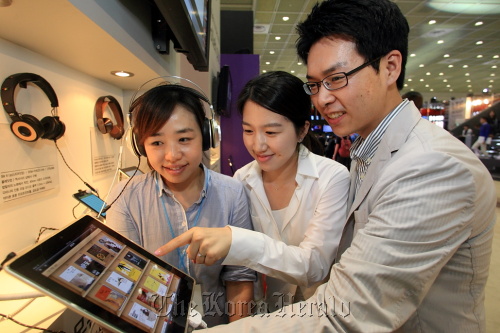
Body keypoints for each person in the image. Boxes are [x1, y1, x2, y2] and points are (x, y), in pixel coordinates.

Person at [177, 0, 495, 331]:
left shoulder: (430, 166)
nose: (323, 98)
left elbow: (348, 312)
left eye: (337, 78)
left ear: (390, 67)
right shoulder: (368, 152)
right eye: (315, 84)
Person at [155, 71, 350, 312]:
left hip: (319, 313)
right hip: (265, 315)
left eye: (271, 132)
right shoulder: (242, 180)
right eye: (248, 131)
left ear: (302, 130)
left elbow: (315, 266)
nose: (258, 145)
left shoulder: (333, 178)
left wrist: (237, 242)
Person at [105, 83, 256, 327]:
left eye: (184, 139)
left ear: (206, 136)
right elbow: (122, 279)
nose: (172, 155)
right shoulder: (124, 196)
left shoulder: (232, 193)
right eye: (157, 143)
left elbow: (239, 278)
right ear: (140, 145)